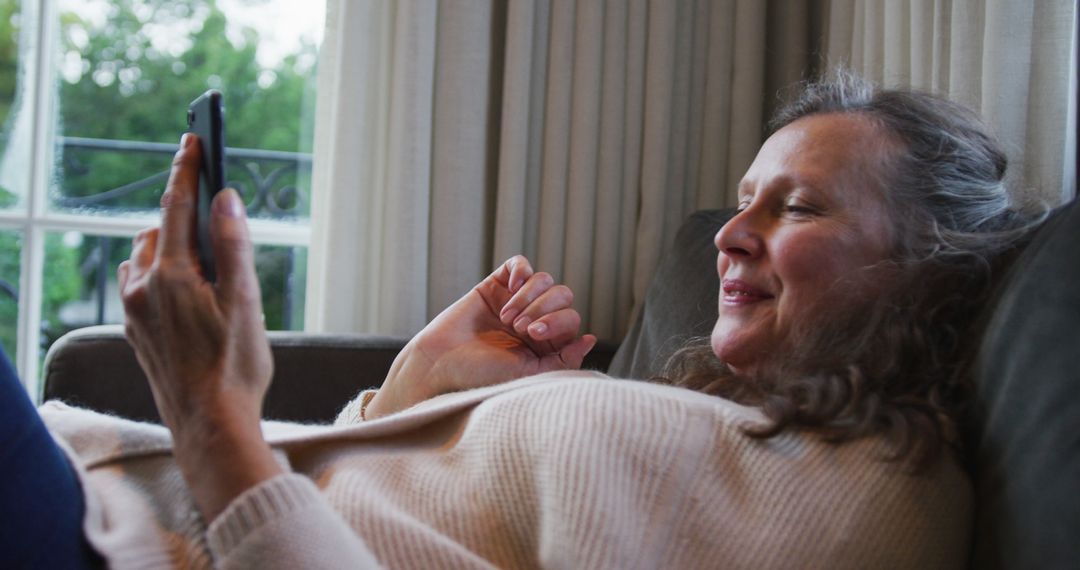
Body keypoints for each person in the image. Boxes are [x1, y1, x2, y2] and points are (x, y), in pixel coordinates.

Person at [4, 70, 1040, 568]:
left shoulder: (873, 507)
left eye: (798, 206)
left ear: (924, 267)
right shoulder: (732, 423)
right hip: (96, 490)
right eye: (744, 197)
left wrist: (213, 418)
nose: (731, 234)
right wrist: (417, 384)